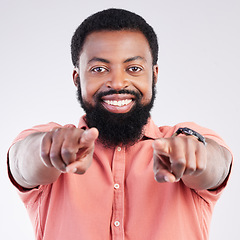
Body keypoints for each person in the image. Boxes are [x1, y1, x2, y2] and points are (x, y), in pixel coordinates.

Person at [8, 8, 232, 240]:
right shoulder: (52, 139)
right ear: (77, 79)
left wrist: (196, 156)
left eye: (133, 69)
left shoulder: (182, 138)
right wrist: (48, 149)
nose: (117, 83)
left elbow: (218, 166)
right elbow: (20, 161)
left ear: (154, 75)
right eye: (99, 69)